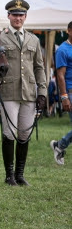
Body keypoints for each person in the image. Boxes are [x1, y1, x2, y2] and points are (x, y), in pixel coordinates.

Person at [0, 0, 46, 186]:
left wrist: (42, 92)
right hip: (8, 90)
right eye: (14, 14)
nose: (17, 18)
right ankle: (9, 175)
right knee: (9, 133)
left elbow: (39, 68)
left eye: (21, 15)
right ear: (8, 16)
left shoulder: (33, 39)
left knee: (25, 133)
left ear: (25, 17)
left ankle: (20, 174)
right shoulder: (1, 38)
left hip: (29, 92)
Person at [50, 21, 72, 166]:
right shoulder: (63, 50)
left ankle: (60, 145)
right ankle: (60, 145)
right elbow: (60, 76)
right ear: (69, 31)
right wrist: (64, 97)